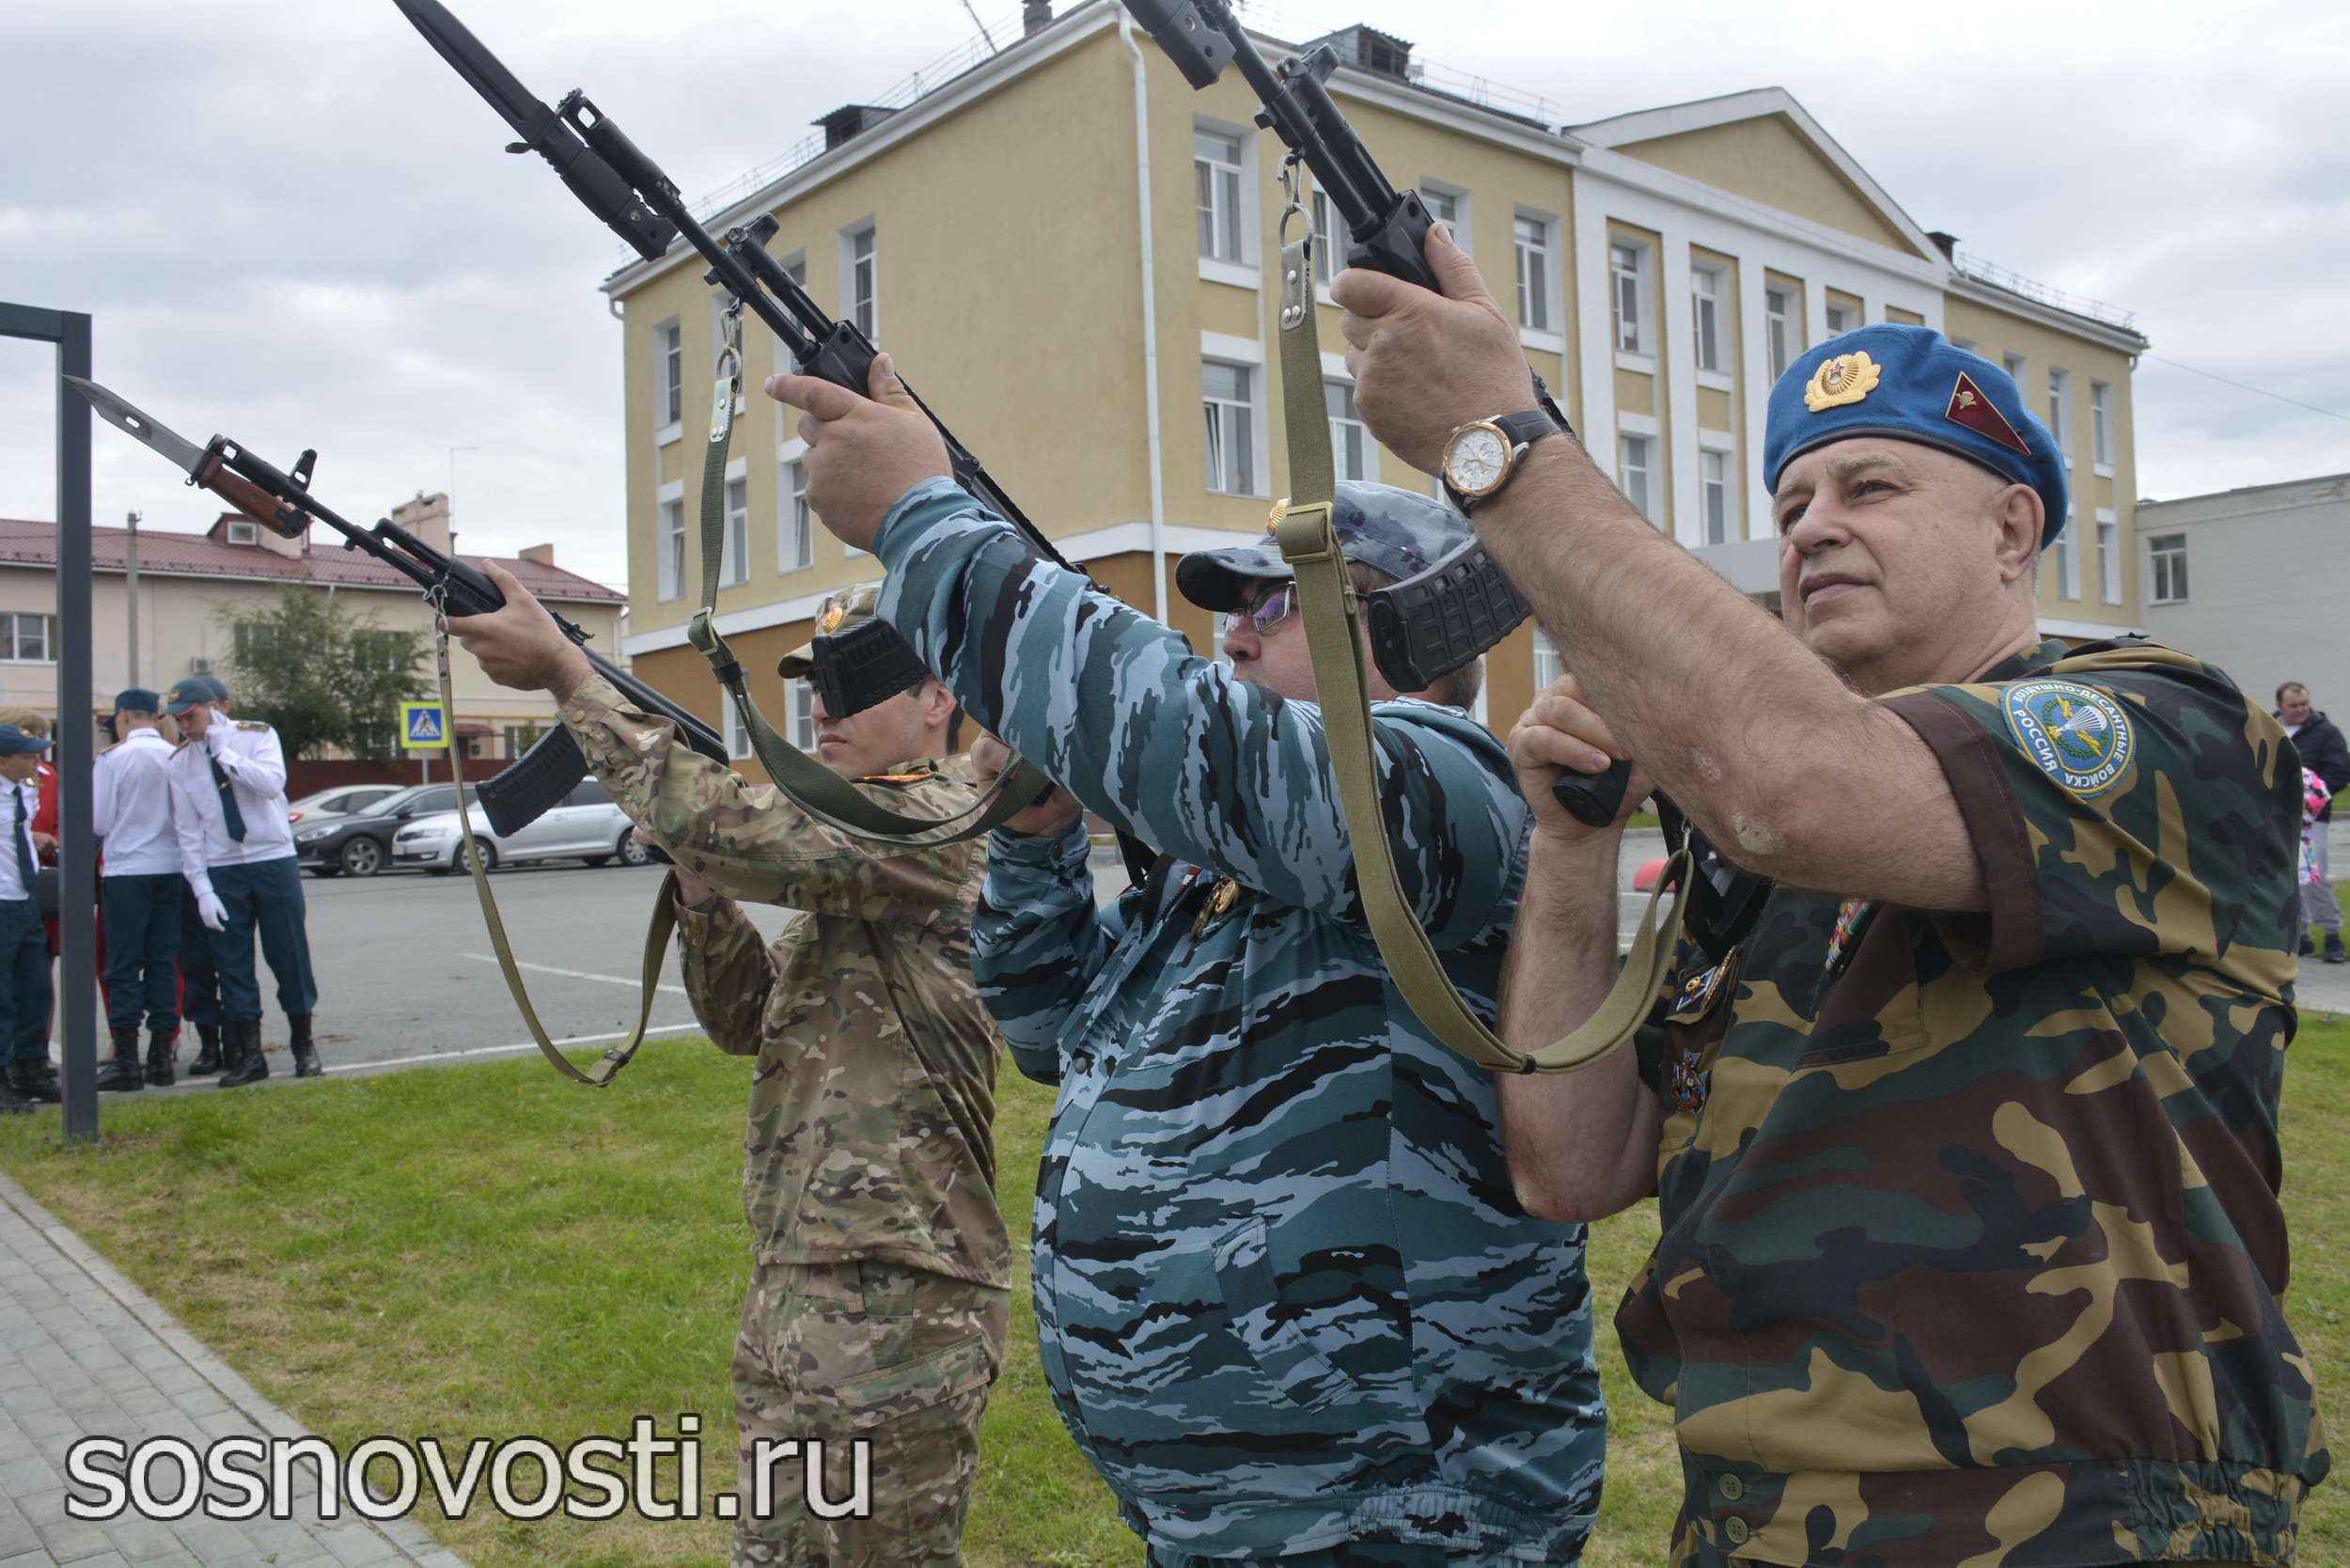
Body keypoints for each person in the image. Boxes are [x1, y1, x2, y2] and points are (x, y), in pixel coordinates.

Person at [1336, 233, 2325, 1565]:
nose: (1812, 528)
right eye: (1793, 501)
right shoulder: (1750, 845)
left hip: (2078, 1524)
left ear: (2011, 528)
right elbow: (1568, 1168)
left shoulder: (2157, 728)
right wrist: (1572, 849)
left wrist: (1498, 447)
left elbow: (1801, 786)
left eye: (1871, 486)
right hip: (1755, 1521)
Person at [768, 348, 1608, 1567]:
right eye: (1227, 613)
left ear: (1390, 627)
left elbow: (1198, 743)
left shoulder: (1449, 784)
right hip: (1241, 1511)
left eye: (1269, 607)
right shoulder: (1226, 870)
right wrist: (1038, 839)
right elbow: (1047, 1030)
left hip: (1399, 1504)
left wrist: (922, 516)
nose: (1232, 640)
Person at [450, 575, 1011, 1568]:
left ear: (938, 698)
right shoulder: (853, 849)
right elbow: (744, 1019)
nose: (824, 709)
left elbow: (728, 822)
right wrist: (704, 893)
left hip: (902, 1288)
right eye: (815, 686)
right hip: (797, 1271)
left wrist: (569, 674)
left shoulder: (937, 822)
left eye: (855, 683)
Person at [163, 680, 321, 1085]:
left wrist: (225, 754)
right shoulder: (180, 762)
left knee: (288, 955)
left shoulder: (257, 736)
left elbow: (270, 785)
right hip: (223, 866)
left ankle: (303, 1043)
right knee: (232, 964)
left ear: (215, 708)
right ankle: (251, 1055)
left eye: (191, 716)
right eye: (178, 720)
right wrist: (202, 890)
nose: (185, 726)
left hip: (272, 859)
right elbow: (188, 832)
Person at [90, 688, 182, 1090]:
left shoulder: (114, 758)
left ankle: (127, 1061)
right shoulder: (174, 755)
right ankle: (161, 1058)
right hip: (171, 867)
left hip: (127, 870)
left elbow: (99, 821)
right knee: (163, 961)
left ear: (123, 715)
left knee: (123, 965)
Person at [0, 725, 56, 1111]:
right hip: (1, 900)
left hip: (24, 899)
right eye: (27, 756)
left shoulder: (24, 790)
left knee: (36, 989)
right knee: (2, 997)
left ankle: (31, 1065)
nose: (36, 761)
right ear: (3, 761)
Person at [2276, 682, 2347, 962]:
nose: (2301, 709)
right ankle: (2300, 934)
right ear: (2281, 706)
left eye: (2304, 703)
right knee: (2285, 878)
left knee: (2314, 877)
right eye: (2294, 705)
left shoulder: (2326, 733)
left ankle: (2332, 935)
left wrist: (2311, 796)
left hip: (2312, 819)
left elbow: (2340, 771)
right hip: (2277, 818)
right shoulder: (2268, 729)